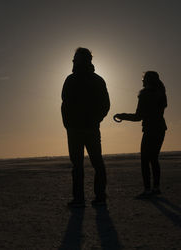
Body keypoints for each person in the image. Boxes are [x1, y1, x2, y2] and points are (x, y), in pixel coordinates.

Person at [61, 47, 110, 207]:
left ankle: (99, 196)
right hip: (75, 129)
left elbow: (105, 105)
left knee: (96, 162)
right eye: (74, 58)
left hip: (89, 129)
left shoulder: (96, 80)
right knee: (78, 165)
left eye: (76, 58)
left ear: (85, 60)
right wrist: (68, 124)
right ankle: (80, 198)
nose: (74, 61)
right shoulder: (71, 79)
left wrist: (95, 120)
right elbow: (65, 103)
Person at [114, 71, 167, 198]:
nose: (142, 81)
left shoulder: (145, 95)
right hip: (160, 128)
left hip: (150, 130)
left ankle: (147, 190)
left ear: (148, 80)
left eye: (143, 79)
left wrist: (122, 116)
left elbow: (138, 117)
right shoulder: (161, 94)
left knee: (145, 160)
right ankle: (156, 188)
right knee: (154, 159)